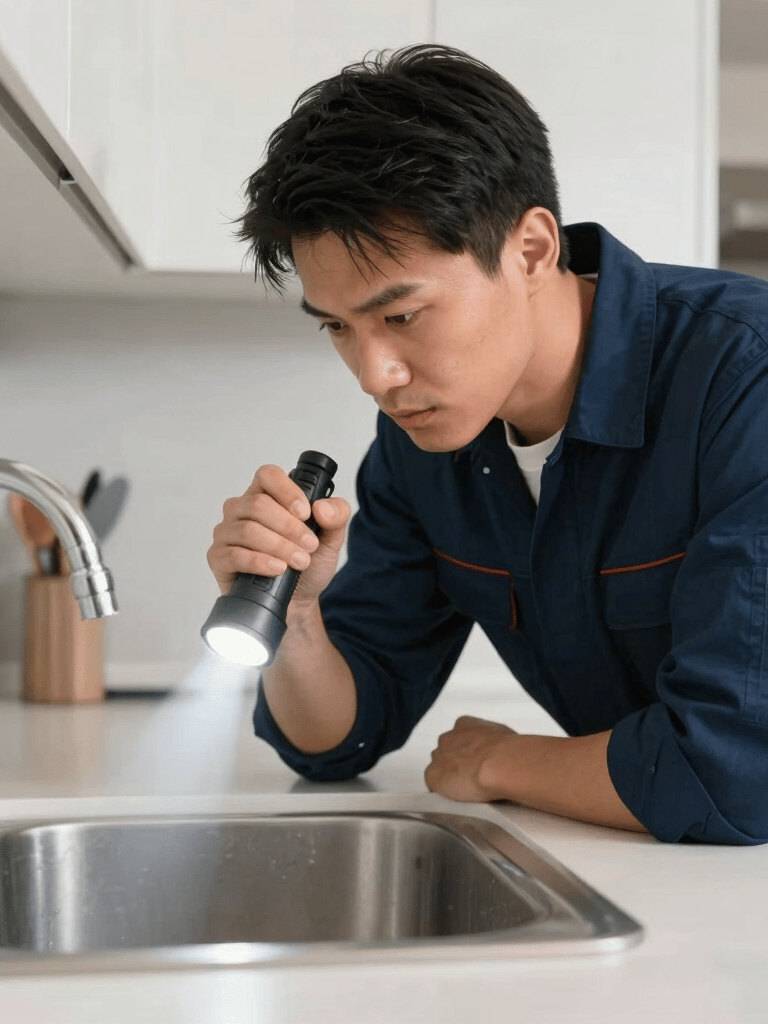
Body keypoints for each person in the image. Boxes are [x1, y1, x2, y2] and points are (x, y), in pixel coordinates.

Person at [207, 44, 768, 845]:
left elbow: (736, 775)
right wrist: (295, 617)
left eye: (401, 316)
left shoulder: (745, 380)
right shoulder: (423, 436)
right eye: (338, 326)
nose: (376, 374)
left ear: (532, 250)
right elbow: (339, 739)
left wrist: (505, 763)